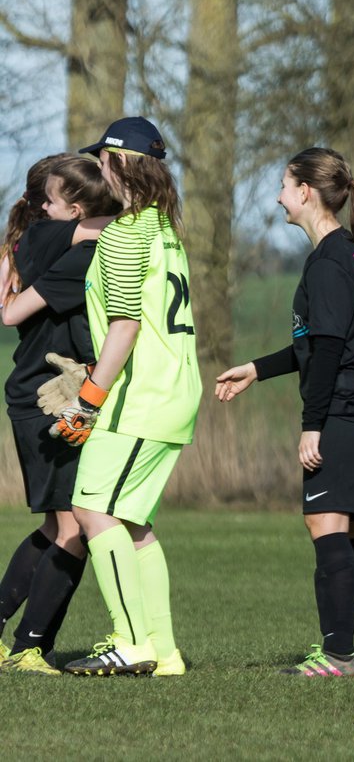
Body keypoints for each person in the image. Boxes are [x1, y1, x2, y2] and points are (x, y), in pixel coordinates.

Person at [214, 147, 354, 678]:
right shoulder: (343, 255)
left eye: (283, 186)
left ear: (305, 192)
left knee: (325, 521)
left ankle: (337, 656)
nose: (278, 197)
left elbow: (330, 353)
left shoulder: (330, 262)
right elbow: (315, 346)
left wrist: (312, 425)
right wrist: (257, 368)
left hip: (343, 409)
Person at [51, 117, 201, 677]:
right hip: (171, 393)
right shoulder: (163, 227)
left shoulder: (122, 233)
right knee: (134, 524)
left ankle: (130, 641)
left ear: (119, 164)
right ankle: (163, 652)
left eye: (102, 159)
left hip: (140, 397)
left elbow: (126, 327)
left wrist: (88, 397)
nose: (98, 168)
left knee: (91, 508)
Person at [0, 155, 118, 675]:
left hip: (43, 394)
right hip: (47, 397)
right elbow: (10, 313)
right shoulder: (77, 250)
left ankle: (25, 644)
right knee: (74, 525)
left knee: (59, 525)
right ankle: (30, 648)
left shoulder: (43, 239)